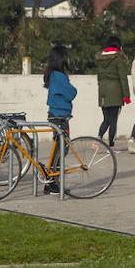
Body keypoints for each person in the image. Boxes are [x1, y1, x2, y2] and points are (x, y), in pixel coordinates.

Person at [43, 44, 77, 195]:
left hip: (57, 115)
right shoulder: (58, 76)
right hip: (59, 117)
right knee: (61, 149)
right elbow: (71, 93)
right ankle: (52, 182)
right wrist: (73, 88)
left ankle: (50, 181)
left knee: (59, 149)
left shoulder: (54, 75)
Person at [94, 35, 132, 152]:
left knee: (106, 119)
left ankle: (97, 139)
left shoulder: (100, 59)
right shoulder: (118, 58)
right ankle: (111, 145)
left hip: (103, 91)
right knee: (113, 120)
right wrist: (126, 96)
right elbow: (123, 78)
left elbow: (99, 77)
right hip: (115, 91)